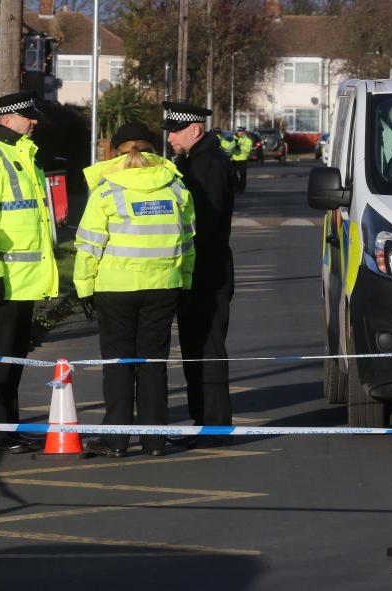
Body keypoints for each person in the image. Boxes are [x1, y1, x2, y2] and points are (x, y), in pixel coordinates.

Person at [74, 122, 196, 457]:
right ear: (153, 150)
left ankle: (116, 440)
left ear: (114, 152)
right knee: (154, 363)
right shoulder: (175, 189)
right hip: (163, 287)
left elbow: (88, 245)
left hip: (116, 290)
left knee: (119, 364)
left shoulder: (107, 191)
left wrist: (84, 289)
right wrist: (184, 281)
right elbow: (188, 242)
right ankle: (154, 440)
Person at [0, 91, 59, 454]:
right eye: (28, 116)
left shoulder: (25, 157)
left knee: (12, 359)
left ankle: (8, 427)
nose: (34, 122)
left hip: (23, 281)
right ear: (6, 118)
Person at [162, 101, 236, 448]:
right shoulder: (195, 160)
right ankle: (204, 420)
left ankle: (213, 425)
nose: (170, 139)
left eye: (174, 132)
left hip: (206, 270)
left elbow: (204, 222)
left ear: (194, 130)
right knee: (195, 348)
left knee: (206, 349)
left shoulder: (206, 164)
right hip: (201, 269)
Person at [230, 126, 252, 192]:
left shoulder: (248, 140)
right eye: (238, 131)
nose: (239, 132)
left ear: (243, 132)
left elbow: (248, 150)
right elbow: (229, 146)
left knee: (242, 176)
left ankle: (242, 189)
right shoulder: (233, 138)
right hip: (234, 159)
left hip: (242, 159)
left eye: (240, 131)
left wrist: (240, 147)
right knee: (233, 175)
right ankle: (236, 187)